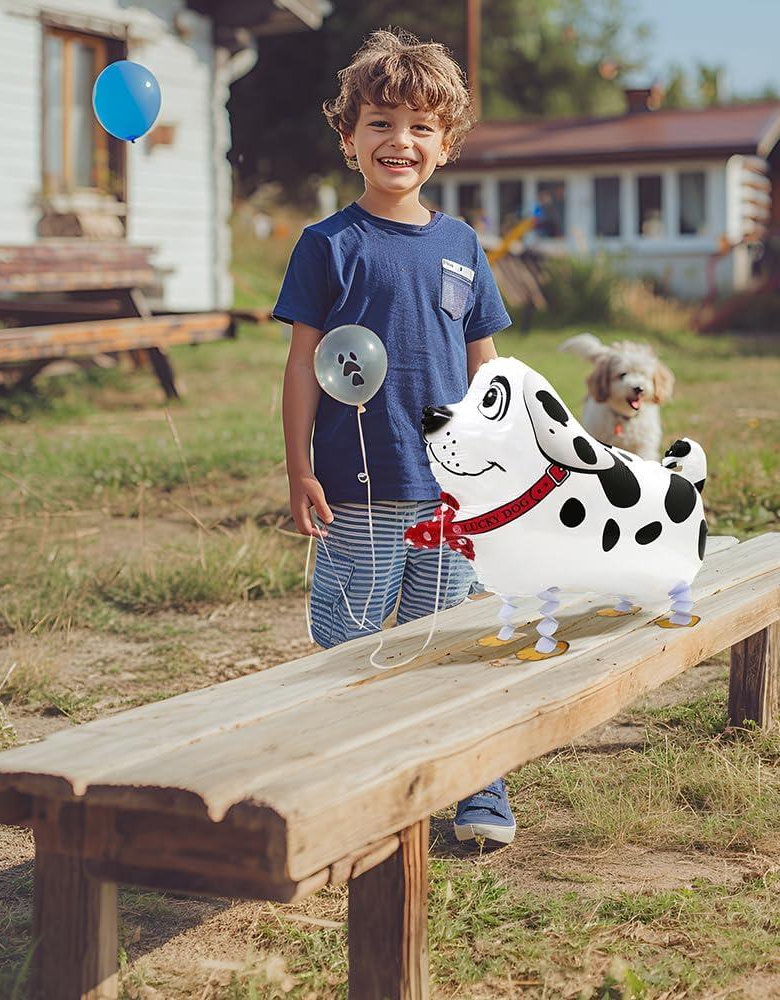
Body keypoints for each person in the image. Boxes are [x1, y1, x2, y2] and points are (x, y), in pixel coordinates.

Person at [274, 29, 517, 845]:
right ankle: (351, 784)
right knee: (350, 641)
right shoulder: (328, 245)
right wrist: (299, 467)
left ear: (445, 145)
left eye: (420, 127)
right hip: (361, 489)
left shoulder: (461, 246)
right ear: (349, 138)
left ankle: (476, 783)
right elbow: (302, 364)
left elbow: (485, 366)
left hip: (452, 492)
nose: (399, 141)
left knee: (444, 643)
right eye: (380, 123)